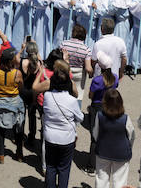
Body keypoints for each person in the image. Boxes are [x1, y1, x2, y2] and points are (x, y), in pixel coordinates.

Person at [40, 59, 84, 188]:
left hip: (50, 137)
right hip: (66, 139)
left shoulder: (47, 96)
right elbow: (80, 118)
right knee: (64, 169)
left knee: (51, 167)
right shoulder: (71, 100)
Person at [91, 88, 134, 188]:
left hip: (103, 152)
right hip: (122, 153)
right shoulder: (125, 118)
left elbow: (95, 133)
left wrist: (100, 143)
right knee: (120, 181)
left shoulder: (100, 115)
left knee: (101, 179)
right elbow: (131, 136)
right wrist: (128, 147)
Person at [0, 47, 25, 162]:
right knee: (19, 127)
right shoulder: (17, 73)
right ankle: (19, 153)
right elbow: (21, 86)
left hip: (0, 100)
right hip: (14, 100)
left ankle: (0, 154)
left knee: (0, 129)